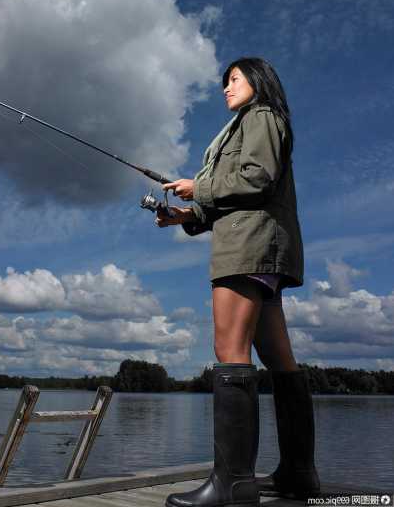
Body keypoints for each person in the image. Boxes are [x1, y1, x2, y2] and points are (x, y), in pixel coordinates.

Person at [156, 57, 320, 507]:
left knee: (229, 351)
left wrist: (198, 188)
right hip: (260, 247)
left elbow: (255, 178)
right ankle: (299, 475)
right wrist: (185, 215)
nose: (226, 88)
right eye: (224, 83)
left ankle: (233, 485)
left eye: (233, 80)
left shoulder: (262, 116)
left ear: (258, 81)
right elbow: (234, 193)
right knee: (278, 358)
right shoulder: (245, 124)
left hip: (248, 248)